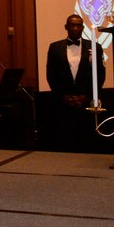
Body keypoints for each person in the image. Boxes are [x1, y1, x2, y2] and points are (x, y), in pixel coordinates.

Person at [44, 14, 106, 152]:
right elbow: (51, 75)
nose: (75, 28)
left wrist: (86, 96)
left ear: (83, 28)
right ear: (66, 27)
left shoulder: (95, 47)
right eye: (72, 25)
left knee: (87, 141)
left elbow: (100, 74)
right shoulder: (55, 47)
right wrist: (63, 96)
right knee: (65, 140)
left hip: (86, 102)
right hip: (63, 102)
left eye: (79, 25)